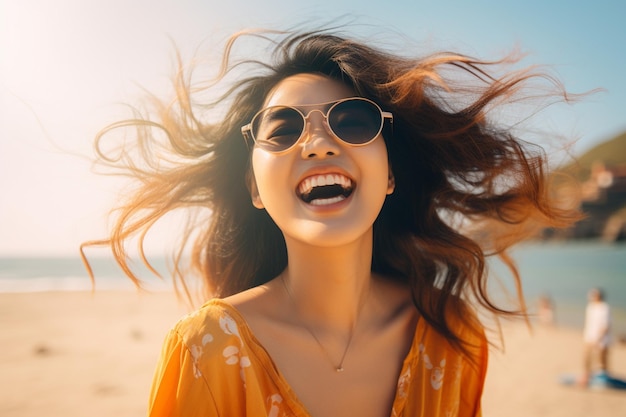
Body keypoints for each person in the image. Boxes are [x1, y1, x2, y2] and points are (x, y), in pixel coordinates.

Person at [83, 28, 582, 416]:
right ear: (255, 188)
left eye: (353, 121)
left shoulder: (451, 336)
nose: (319, 143)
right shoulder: (207, 351)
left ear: (389, 174)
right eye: (282, 129)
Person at [582, 287, 611, 386]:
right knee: (587, 359)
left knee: (601, 361)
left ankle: (603, 380)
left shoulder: (604, 308)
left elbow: (606, 325)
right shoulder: (590, 307)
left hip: (601, 340)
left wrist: (598, 339)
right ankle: (586, 377)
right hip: (588, 338)